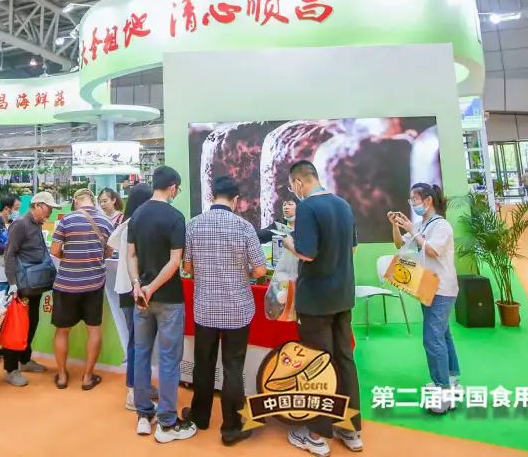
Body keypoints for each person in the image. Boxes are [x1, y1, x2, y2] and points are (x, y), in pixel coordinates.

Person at [281, 160, 363, 455]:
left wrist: (288, 242)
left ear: (298, 183)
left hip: (316, 300)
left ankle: (315, 434)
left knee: (317, 364)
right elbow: (353, 247)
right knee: (344, 360)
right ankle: (350, 429)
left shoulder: (307, 207)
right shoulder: (343, 204)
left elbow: (307, 253)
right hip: (342, 295)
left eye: (292, 187)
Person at [183, 176, 267, 446]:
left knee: (203, 364)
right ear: (236, 200)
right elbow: (260, 270)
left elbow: (188, 267)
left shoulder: (194, 224)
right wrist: (242, 271)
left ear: (212, 195)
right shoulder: (244, 227)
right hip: (237, 309)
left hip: (205, 308)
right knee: (233, 367)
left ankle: (200, 416)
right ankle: (231, 428)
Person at [127, 166, 196, 443]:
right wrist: (152, 287)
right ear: (173, 187)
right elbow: (175, 261)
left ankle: (144, 415)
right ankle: (167, 422)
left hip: (141, 298)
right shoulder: (176, 217)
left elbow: (131, 255)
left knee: (142, 354)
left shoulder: (137, 215)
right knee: (169, 360)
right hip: (168, 298)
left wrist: (138, 285)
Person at [391, 183, 461, 414]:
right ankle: (450, 379)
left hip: (441, 288)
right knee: (443, 335)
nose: (412, 204)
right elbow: (400, 244)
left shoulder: (441, 225)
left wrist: (413, 230)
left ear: (428, 200)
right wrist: (396, 226)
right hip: (428, 286)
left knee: (433, 339)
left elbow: (432, 250)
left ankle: (442, 390)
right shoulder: (423, 225)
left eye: (414, 199)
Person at [50, 188, 114, 390]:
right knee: (93, 329)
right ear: (92, 200)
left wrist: (70, 259)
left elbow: (54, 250)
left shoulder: (66, 220)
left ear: (76, 201)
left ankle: (62, 376)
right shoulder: (106, 222)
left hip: (66, 284)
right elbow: (109, 251)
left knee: (62, 331)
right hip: (94, 284)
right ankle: (87, 377)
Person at [2, 191, 60, 386]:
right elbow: (10, 254)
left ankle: (25, 360)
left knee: (31, 322)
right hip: (21, 286)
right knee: (17, 326)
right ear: (37, 206)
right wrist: (12, 283)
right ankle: (11, 369)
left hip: (33, 285)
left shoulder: (36, 224)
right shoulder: (20, 224)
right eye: (48, 208)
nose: (50, 212)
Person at [108, 183, 153, 411]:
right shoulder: (137, 225)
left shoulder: (126, 224)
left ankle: (140, 386)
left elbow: (112, 245)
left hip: (126, 289)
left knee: (136, 340)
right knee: (138, 342)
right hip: (135, 289)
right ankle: (134, 391)